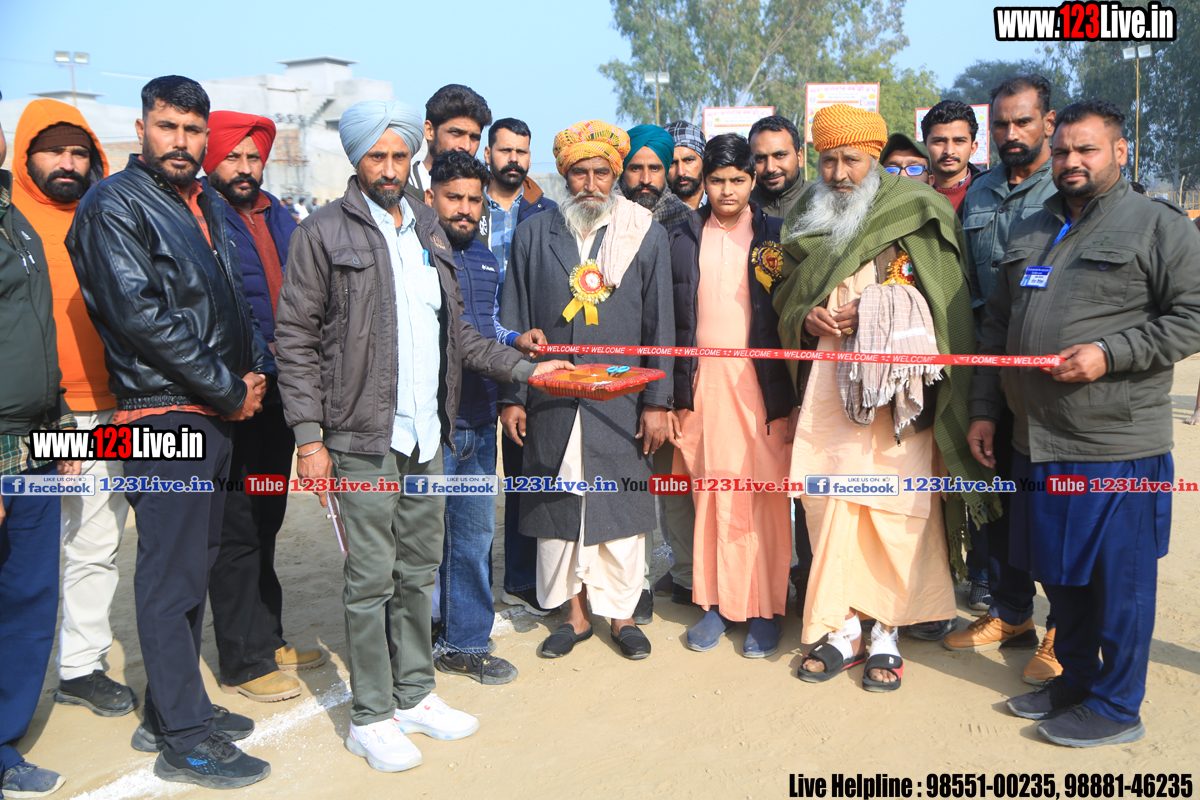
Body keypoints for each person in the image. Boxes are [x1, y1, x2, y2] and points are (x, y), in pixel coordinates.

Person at [273, 99, 570, 774]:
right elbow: (294, 339)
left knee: (417, 571)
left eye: (398, 156)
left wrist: (526, 368)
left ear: (414, 157)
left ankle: (414, 695)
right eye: (376, 156)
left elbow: (458, 334)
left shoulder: (429, 232)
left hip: (426, 436)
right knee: (370, 579)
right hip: (360, 438)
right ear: (357, 158)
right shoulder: (323, 232)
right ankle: (370, 717)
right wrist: (310, 440)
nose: (388, 168)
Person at [969, 99, 1200, 747]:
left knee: (1118, 582)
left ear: (1120, 152)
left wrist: (1109, 353)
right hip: (1035, 439)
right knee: (1060, 572)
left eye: (1088, 149)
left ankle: (1119, 705)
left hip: (1115, 443)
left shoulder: (1156, 226)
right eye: (1064, 150)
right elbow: (996, 328)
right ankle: (1073, 681)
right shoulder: (1034, 228)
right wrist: (985, 409)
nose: (1072, 161)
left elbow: (1193, 316)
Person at [67, 76, 272, 789]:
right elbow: (139, 317)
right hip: (160, 413)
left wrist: (254, 371)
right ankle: (184, 742)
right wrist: (227, 386)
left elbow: (233, 300)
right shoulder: (112, 204)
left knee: (194, 564)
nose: (180, 141)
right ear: (141, 129)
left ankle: (171, 709)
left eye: (192, 130)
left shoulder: (204, 201)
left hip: (208, 409)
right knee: (169, 575)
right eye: (167, 127)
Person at [774, 104, 997, 692]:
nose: (838, 173)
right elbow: (787, 295)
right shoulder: (805, 213)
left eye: (851, 159)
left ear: (874, 158)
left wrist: (879, 309)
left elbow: (947, 301)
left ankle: (887, 631)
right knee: (830, 505)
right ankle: (843, 627)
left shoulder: (916, 208)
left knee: (898, 509)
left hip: (901, 393)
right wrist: (807, 316)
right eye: (827, 160)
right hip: (829, 387)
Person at [498, 119, 674, 661]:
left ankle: (622, 616)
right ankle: (572, 616)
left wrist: (657, 403)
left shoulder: (644, 234)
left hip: (620, 402)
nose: (591, 184)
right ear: (565, 175)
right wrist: (513, 397)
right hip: (550, 399)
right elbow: (513, 316)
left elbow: (661, 325)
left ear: (615, 175)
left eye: (602, 172)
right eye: (580, 172)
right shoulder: (534, 235)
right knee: (557, 510)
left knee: (620, 509)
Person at [10, 98, 135, 720]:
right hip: (25, 419)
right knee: (22, 554)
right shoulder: (10, 220)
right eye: (53, 150)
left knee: (94, 539)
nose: (67, 162)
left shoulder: (103, 213)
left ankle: (81, 667)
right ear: (25, 154)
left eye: (78, 152)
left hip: (105, 408)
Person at [201, 110, 327, 704]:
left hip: (282, 388)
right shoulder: (202, 215)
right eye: (233, 157)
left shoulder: (279, 215)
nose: (245, 168)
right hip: (233, 392)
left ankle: (268, 638)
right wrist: (239, 375)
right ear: (212, 160)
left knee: (267, 519)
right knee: (236, 527)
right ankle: (242, 659)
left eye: (253, 157)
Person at [944, 75, 1062, 687]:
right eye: (1002, 124)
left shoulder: (1067, 190)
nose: (1011, 133)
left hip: (1056, 380)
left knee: (1056, 508)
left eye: (1023, 121)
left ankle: (1062, 628)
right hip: (991, 364)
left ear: (1048, 123)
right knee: (1001, 501)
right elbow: (973, 295)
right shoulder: (981, 191)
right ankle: (1012, 613)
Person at [667, 133, 795, 656]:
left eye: (737, 180)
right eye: (717, 180)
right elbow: (669, 319)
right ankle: (715, 604)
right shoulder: (681, 235)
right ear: (704, 181)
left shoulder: (775, 235)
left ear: (751, 179)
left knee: (764, 495)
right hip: (703, 385)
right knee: (712, 494)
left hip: (762, 385)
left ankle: (766, 608)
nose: (726, 191)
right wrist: (672, 393)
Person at [424, 149, 546, 684]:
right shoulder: (415, 254)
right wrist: (523, 368)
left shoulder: (484, 257)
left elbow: (487, 326)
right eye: (453, 197)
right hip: (431, 425)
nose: (465, 209)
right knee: (421, 541)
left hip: (478, 417)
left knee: (472, 540)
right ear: (430, 197)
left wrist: (515, 340)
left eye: (474, 200)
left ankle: (465, 642)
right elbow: (454, 339)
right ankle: (412, 639)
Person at [0, 96, 80, 800]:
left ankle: (5, 741)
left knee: (31, 592)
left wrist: (59, 425)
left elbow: (36, 334)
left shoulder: (14, 220)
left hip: (36, 440)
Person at [480, 117, 559, 617]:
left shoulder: (546, 211)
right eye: (505, 150)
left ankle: (521, 577)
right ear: (489, 153)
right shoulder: (465, 204)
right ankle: (461, 589)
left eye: (522, 152)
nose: (514, 159)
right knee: (466, 478)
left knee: (524, 469)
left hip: (526, 352)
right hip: (469, 354)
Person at [406, 84, 491, 200]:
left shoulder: (481, 197)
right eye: (456, 133)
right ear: (429, 131)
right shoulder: (402, 191)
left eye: (474, 137)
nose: (466, 146)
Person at [620, 124, 695, 233]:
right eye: (636, 168)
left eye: (654, 169)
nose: (646, 180)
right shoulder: (604, 213)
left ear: (665, 172)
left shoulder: (684, 220)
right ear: (623, 171)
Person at [921, 100, 982, 215]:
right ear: (924, 148)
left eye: (959, 141)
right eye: (939, 141)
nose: (949, 151)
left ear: (973, 148)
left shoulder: (991, 191)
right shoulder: (909, 192)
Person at [748, 115, 808, 219]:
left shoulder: (823, 200)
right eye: (760, 158)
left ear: (799, 157)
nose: (770, 168)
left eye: (780, 155)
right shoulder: (740, 206)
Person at [664, 120, 706, 210]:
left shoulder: (724, 204)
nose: (681, 172)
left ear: (704, 161)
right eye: (672, 163)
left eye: (689, 160)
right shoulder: (653, 213)